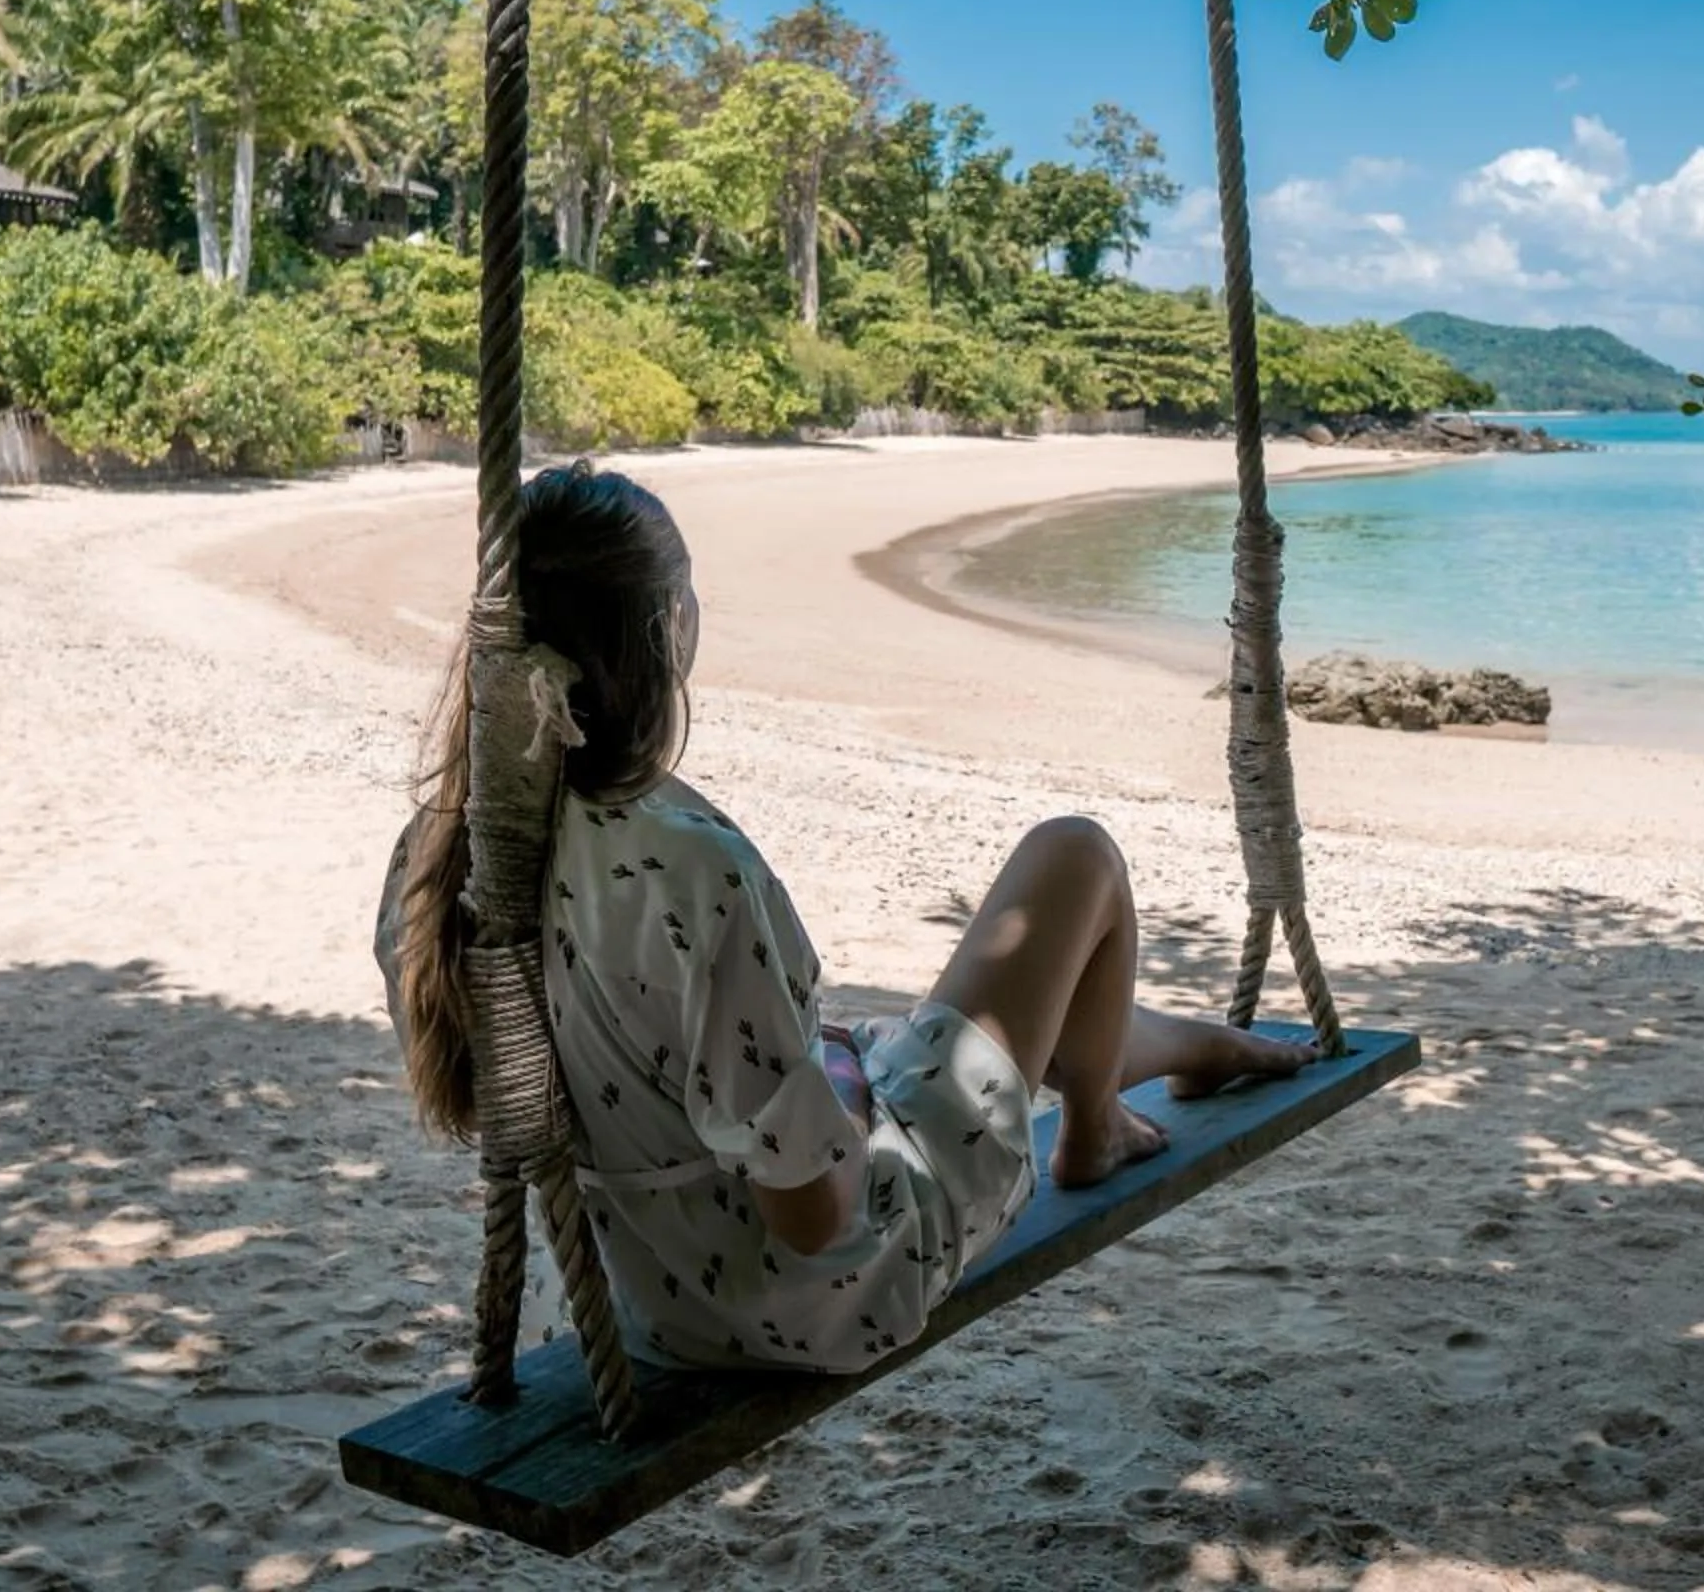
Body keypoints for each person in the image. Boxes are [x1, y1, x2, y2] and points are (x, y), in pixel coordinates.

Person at [383, 461, 1313, 1374]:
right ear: (667, 637)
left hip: (630, 1298)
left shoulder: (441, 852)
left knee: (911, 1037)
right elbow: (817, 1213)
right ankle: (1094, 1124)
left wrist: (814, 1068)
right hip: (800, 1299)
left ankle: (1190, 1052)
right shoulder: (691, 865)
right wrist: (837, 1075)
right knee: (1077, 855)